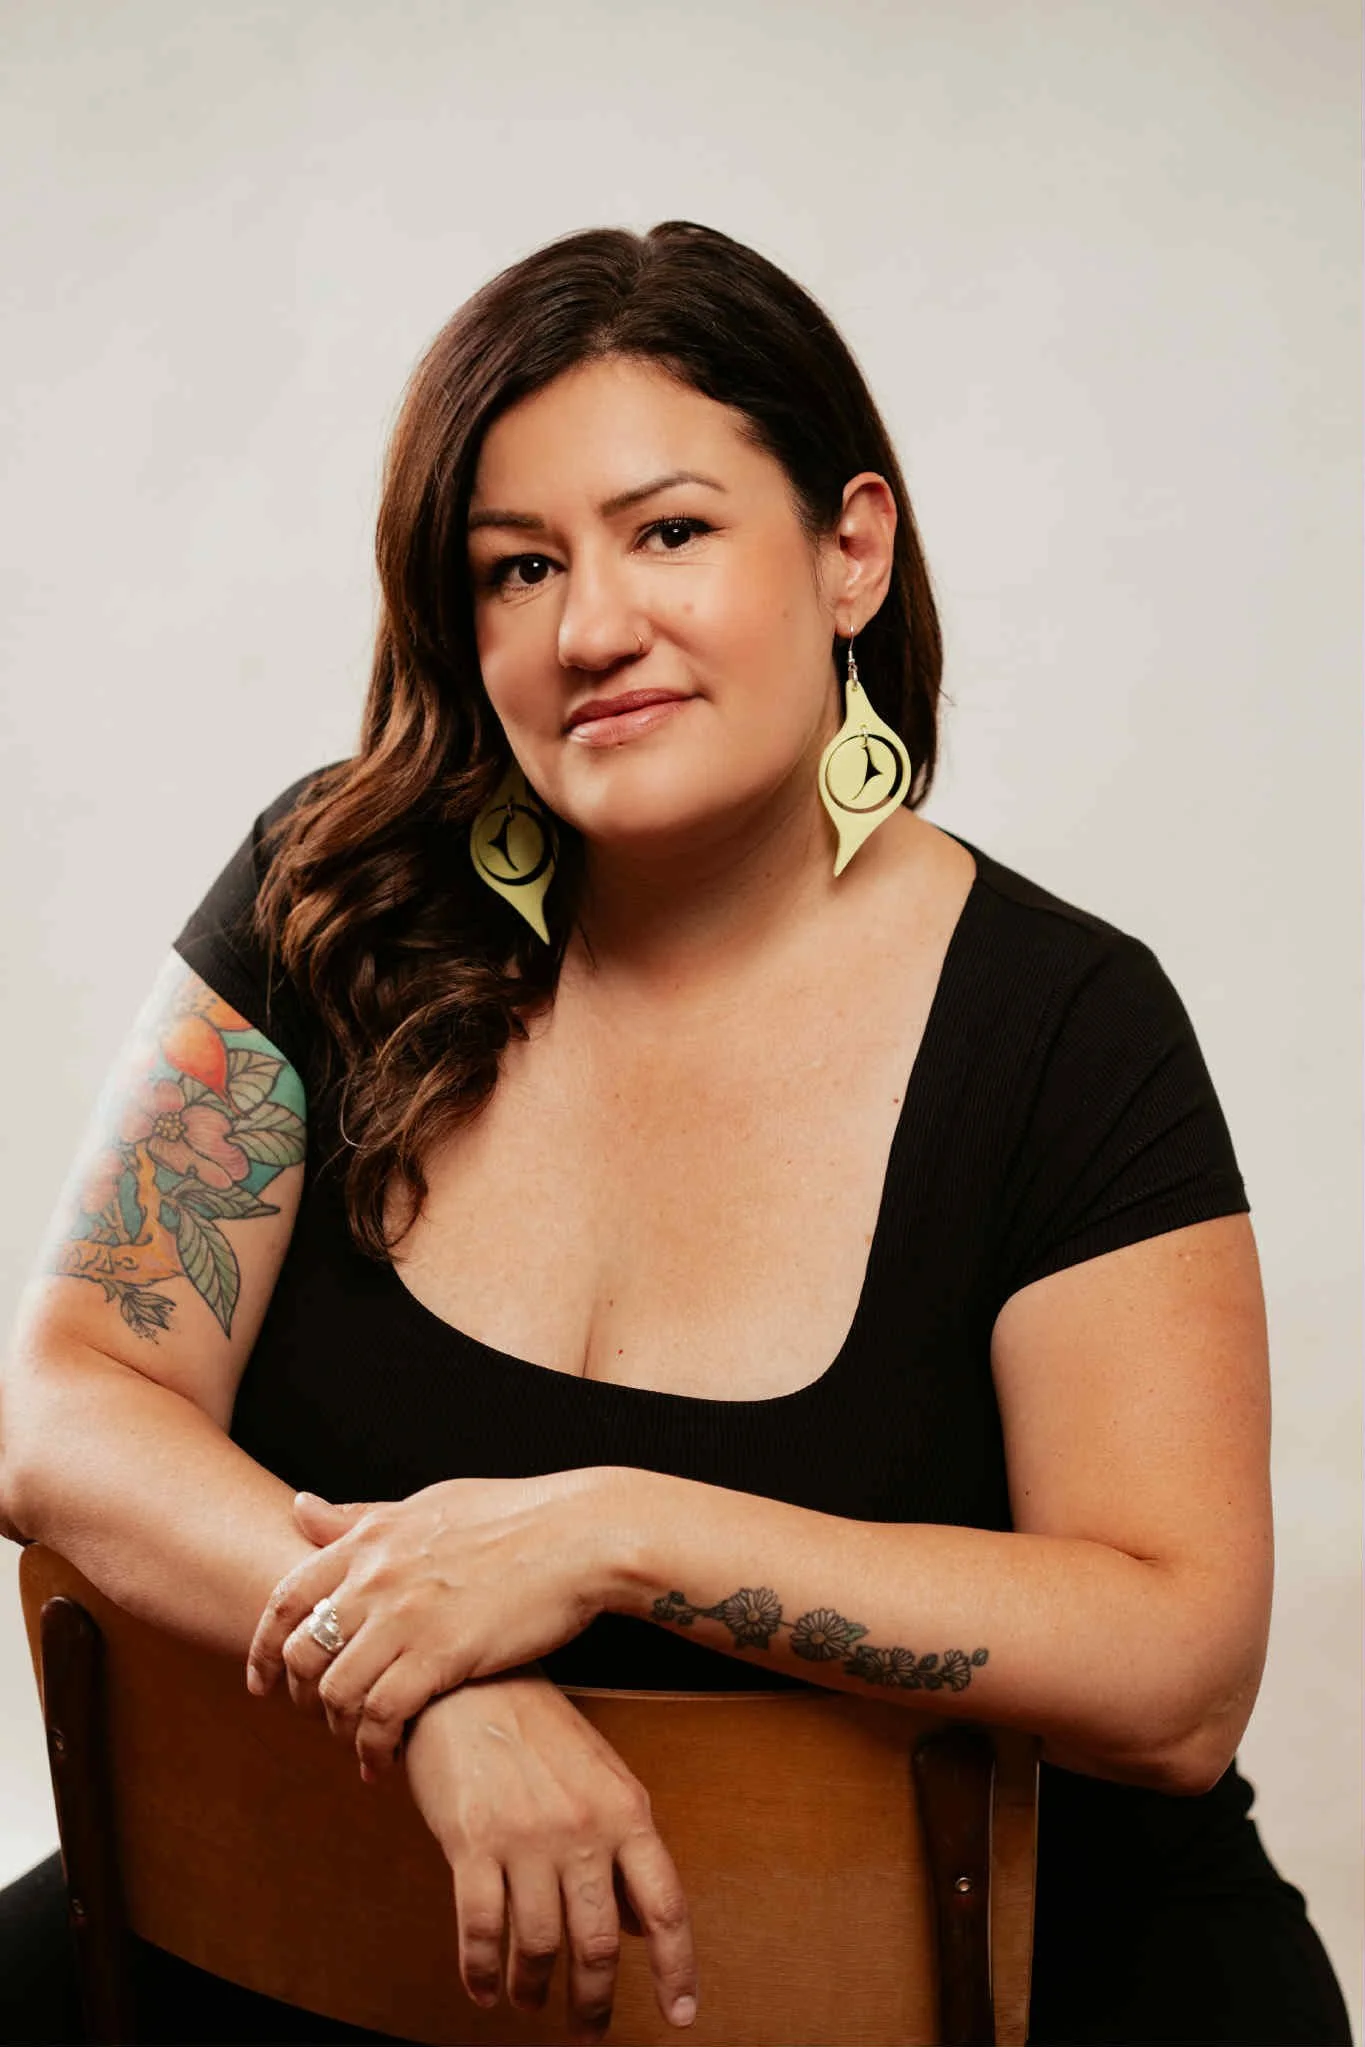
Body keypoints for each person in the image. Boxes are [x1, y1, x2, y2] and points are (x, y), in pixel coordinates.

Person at [0, 219, 1351, 2047]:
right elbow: (62, 1399)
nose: (591, 627)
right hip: (335, 1973)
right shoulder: (328, 904)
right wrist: (415, 1683)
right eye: (518, 565)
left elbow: (1180, 1672)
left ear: (851, 549)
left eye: (671, 531)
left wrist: (614, 1535)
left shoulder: (1063, 1026)